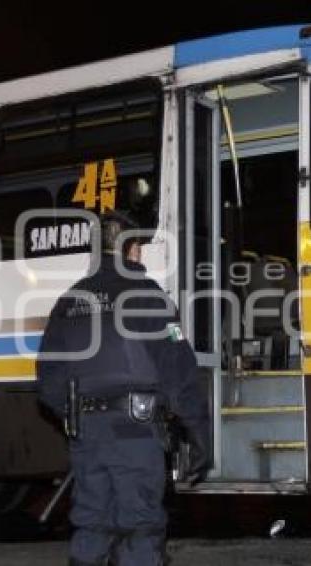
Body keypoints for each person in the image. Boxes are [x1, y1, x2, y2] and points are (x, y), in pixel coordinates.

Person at [37, 212, 210, 566]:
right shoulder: (148, 297)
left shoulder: (69, 301)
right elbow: (178, 370)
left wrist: (77, 417)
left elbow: (47, 378)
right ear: (131, 250)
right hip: (135, 431)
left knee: (91, 526)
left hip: (86, 435)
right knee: (139, 529)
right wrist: (199, 432)